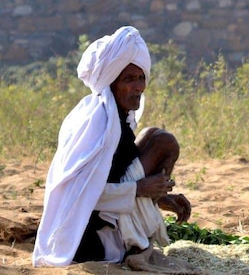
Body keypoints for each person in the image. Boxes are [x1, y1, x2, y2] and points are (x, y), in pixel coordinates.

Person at [33, 26, 191, 267]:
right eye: (129, 79)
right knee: (163, 142)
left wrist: (158, 197)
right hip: (91, 238)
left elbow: (117, 173)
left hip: (112, 216)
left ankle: (145, 220)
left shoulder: (116, 117)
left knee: (154, 135)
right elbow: (79, 195)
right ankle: (136, 242)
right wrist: (139, 189)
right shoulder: (97, 123)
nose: (138, 87)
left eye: (141, 78)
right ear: (112, 83)